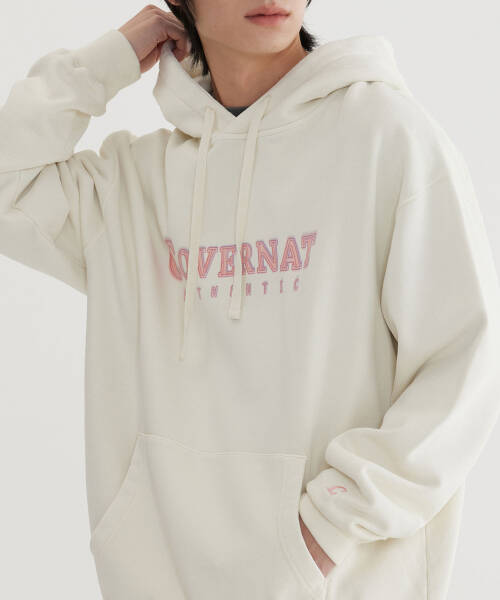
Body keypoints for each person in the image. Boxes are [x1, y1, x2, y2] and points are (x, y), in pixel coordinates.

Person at [1, 1, 500, 599]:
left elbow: (463, 368)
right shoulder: (133, 185)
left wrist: (327, 529)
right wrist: (106, 61)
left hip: (340, 581)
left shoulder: (387, 139)